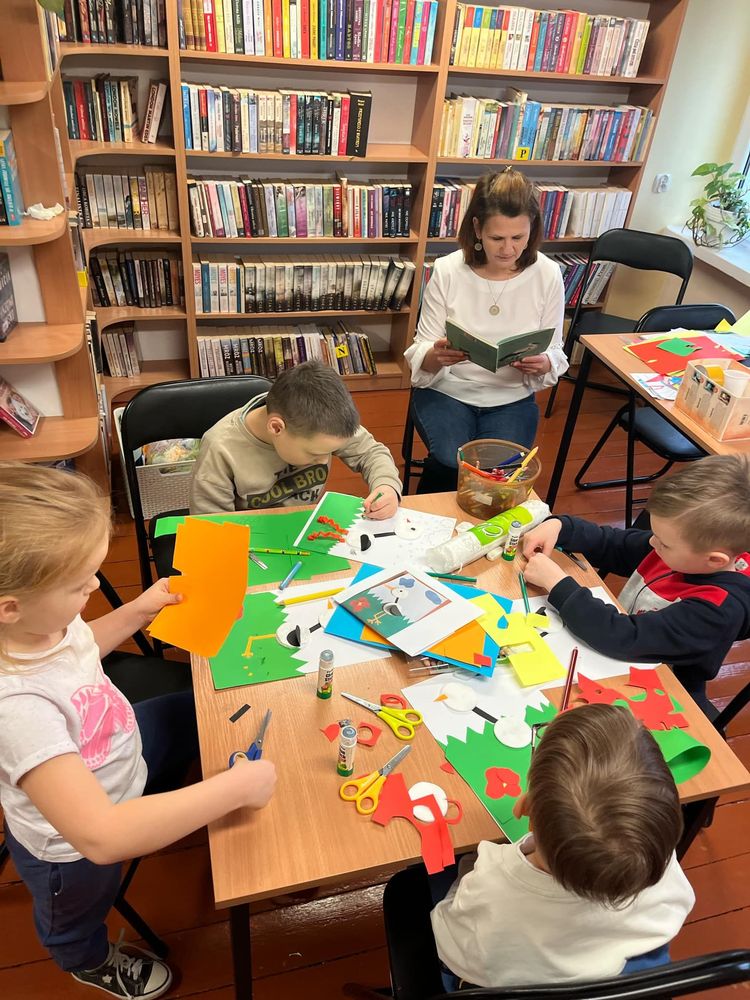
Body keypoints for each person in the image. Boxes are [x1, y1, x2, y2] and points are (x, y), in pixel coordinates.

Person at [0, 463, 277, 999]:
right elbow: (103, 837)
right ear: (9, 607)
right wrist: (236, 789)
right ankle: (87, 960)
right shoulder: (18, 709)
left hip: (117, 750)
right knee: (77, 913)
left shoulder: (41, 625)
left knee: (200, 713)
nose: (93, 588)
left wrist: (138, 610)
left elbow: (81, 647)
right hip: (72, 849)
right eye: (81, 584)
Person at [430, 703, 695, 989]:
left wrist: (471, 873)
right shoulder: (654, 854)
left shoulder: (494, 882)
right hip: (624, 976)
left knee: (450, 868)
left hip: (501, 980)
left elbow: (450, 942)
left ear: (527, 809)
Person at [521, 454, 750, 716]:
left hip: (664, 690)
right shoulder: (686, 552)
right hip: (616, 655)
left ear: (715, 560)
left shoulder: (717, 611)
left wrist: (558, 584)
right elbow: (614, 544)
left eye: (663, 542)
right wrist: (562, 527)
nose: (652, 543)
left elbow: (625, 637)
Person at [404, 168, 567, 493]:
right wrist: (437, 355)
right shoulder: (449, 270)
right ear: (477, 229)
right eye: (497, 238)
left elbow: (554, 350)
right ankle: (427, 513)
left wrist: (544, 363)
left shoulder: (547, 274)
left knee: (496, 472)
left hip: (512, 396)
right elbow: (423, 349)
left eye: (518, 238)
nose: (508, 249)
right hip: (448, 390)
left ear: (532, 229)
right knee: (453, 460)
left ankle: (455, 512)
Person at [190, 359, 402, 517]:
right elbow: (211, 527)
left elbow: (371, 452)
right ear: (276, 428)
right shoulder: (220, 448)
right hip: (249, 539)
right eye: (314, 453)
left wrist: (386, 486)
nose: (323, 460)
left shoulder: (325, 423)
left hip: (305, 525)